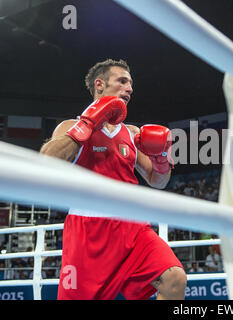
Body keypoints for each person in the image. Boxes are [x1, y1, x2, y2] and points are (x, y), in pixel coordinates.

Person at [40, 59, 187, 300]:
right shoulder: (70, 127)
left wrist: (162, 158)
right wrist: (86, 125)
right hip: (89, 231)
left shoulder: (132, 133)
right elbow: (46, 161)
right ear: (100, 84)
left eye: (130, 83)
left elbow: (157, 181)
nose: (129, 88)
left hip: (133, 228)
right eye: (122, 81)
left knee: (174, 279)